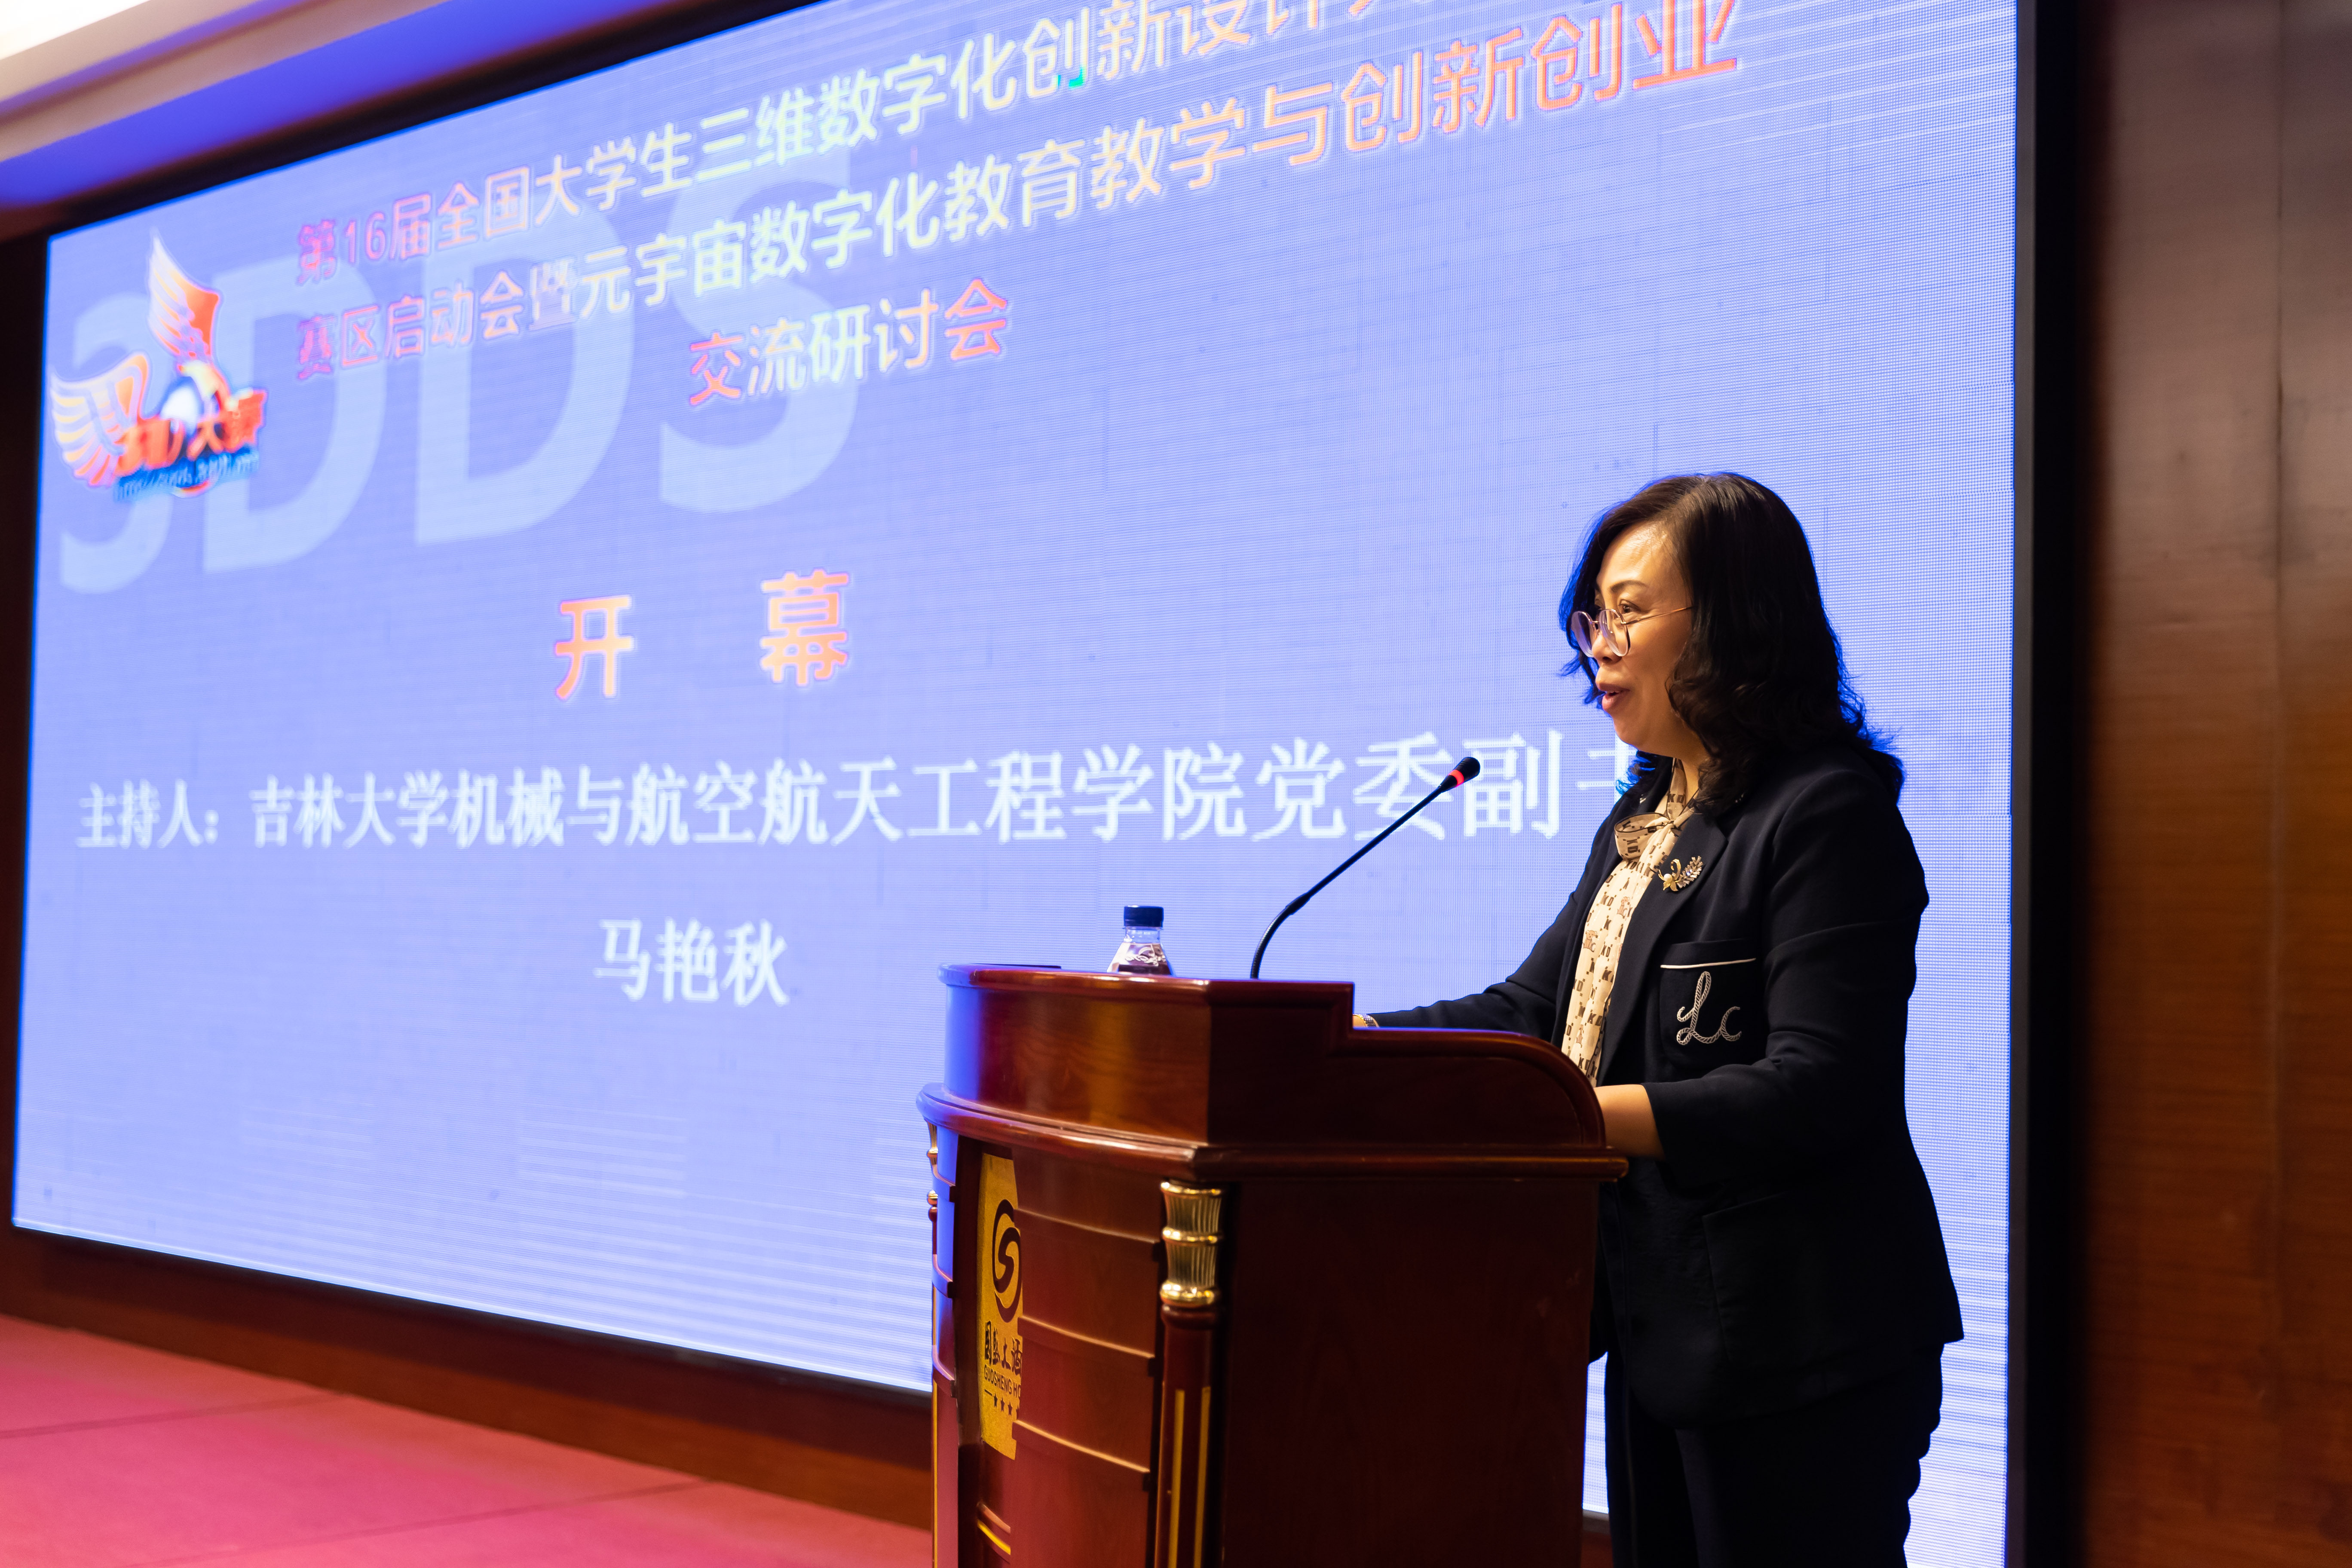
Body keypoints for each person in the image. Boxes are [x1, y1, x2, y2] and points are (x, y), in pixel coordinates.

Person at [1363, 474, 1962, 1565]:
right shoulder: (1647, 814)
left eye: (1630, 611)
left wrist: (1567, 1120)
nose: (1600, 644)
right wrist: (1337, 1046)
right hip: (1665, 1325)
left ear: (1735, 618)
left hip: (1800, 1340)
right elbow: (1535, 1012)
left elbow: (1821, 1087)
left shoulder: (1827, 814)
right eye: (1592, 615)